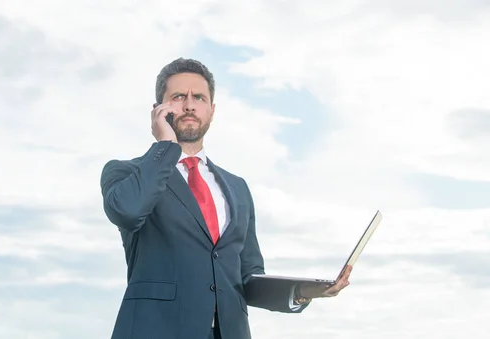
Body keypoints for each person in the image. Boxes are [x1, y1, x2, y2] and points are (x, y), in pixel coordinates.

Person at [100, 58, 352, 339]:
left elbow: (247, 278)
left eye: (199, 97)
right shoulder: (127, 172)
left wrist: (306, 290)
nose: (189, 105)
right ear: (158, 109)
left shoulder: (237, 188)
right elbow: (127, 211)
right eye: (178, 97)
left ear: (212, 109)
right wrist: (164, 146)